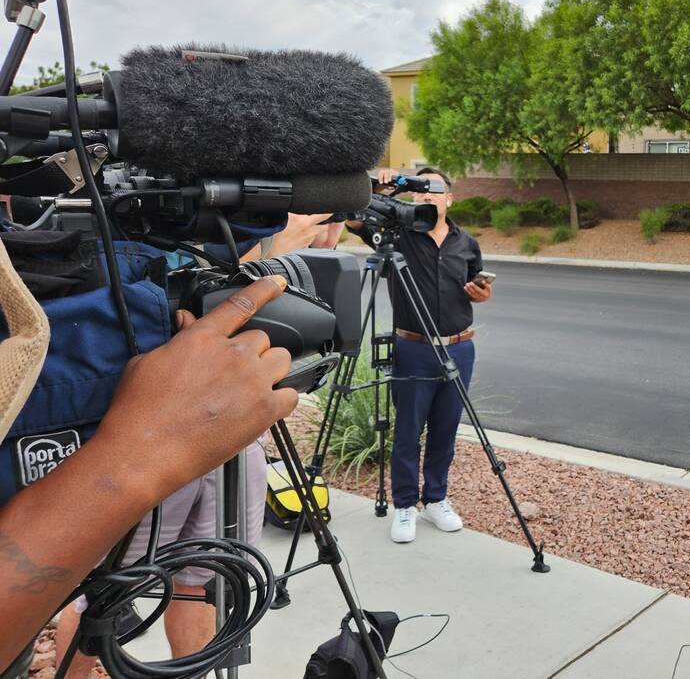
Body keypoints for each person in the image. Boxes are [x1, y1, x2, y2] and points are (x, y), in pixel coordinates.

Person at [0, 275, 297, 673]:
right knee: (102, 593)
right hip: (141, 411)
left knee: (206, 576)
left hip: (225, 415)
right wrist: (134, 454)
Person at [353, 167, 492, 543]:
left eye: (435, 189)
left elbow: (477, 282)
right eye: (421, 190)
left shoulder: (466, 242)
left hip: (460, 348)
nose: (427, 195)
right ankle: (404, 506)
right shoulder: (397, 235)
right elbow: (353, 218)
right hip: (413, 348)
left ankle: (435, 499)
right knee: (408, 431)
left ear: (450, 199)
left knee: (445, 430)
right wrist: (379, 188)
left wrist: (482, 293)